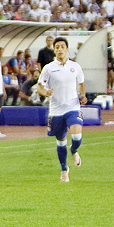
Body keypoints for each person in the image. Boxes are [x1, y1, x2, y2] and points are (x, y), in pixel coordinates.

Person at [37, 37, 87, 182]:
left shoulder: (75, 66)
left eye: (62, 47)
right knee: (61, 141)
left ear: (66, 49)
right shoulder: (48, 68)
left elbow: (81, 83)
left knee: (77, 136)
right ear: (54, 50)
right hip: (56, 110)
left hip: (72, 107)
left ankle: (74, 150)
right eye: (57, 47)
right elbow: (40, 86)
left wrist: (82, 95)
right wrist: (44, 92)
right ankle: (64, 169)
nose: (59, 49)